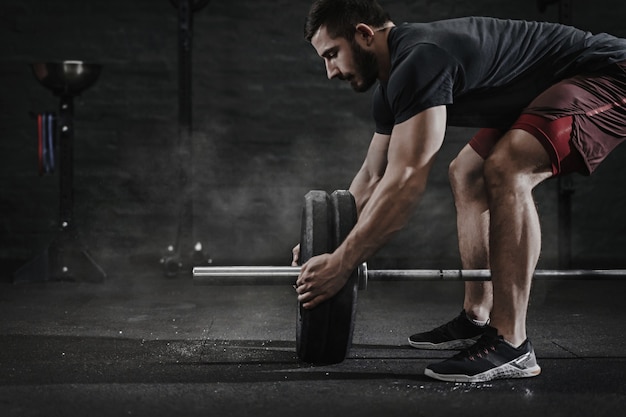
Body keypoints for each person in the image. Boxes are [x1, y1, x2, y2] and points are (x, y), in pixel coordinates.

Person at [293, 0, 626, 382]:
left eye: (333, 54)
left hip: (609, 73)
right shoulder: (391, 87)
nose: (330, 71)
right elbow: (372, 175)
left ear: (365, 35)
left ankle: (512, 343)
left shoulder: (420, 59)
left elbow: (404, 184)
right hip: (547, 91)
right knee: (466, 172)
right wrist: (327, 239)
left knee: (508, 166)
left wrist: (341, 264)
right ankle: (477, 316)